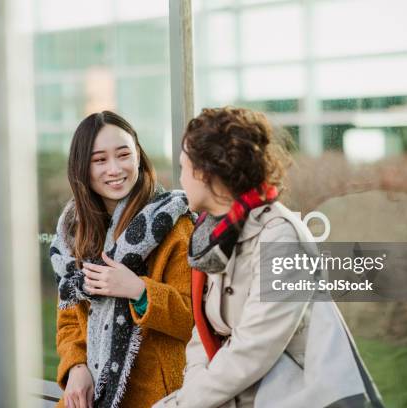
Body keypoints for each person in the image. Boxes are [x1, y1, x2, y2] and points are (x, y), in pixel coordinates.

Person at [154, 107, 380, 408]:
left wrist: (187, 403)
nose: (179, 177)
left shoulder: (281, 237)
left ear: (204, 172)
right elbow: (201, 332)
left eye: (183, 166)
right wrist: (192, 394)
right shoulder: (214, 235)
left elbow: (254, 348)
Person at [50, 110, 194, 408]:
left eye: (123, 154)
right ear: (82, 168)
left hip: (157, 396)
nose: (114, 169)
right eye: (99, 160)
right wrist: (76, 367)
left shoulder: (172, 224)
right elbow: (68, 321)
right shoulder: (74, 231)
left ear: (138, 157)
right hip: (89, 395)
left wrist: (139, 290)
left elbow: (193, 321)